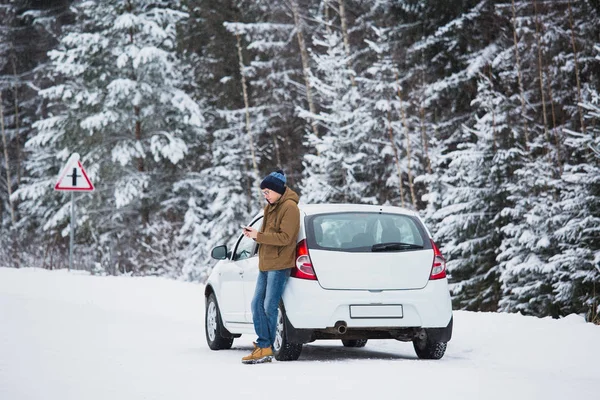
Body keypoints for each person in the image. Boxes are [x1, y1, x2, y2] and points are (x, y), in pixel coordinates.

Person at [240, 170, 300, 364]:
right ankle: (263, 344)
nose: (265, 196)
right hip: (266, 263)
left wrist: (259, 236)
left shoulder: (290, 207)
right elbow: (267, 234)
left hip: (280, 264)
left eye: (267, 192)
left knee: (269, 306)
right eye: (263, 192)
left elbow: (286, 238)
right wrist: (255, 235)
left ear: (277, 190)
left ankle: (266, 347)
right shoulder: (270, 207)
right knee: (256, 304)